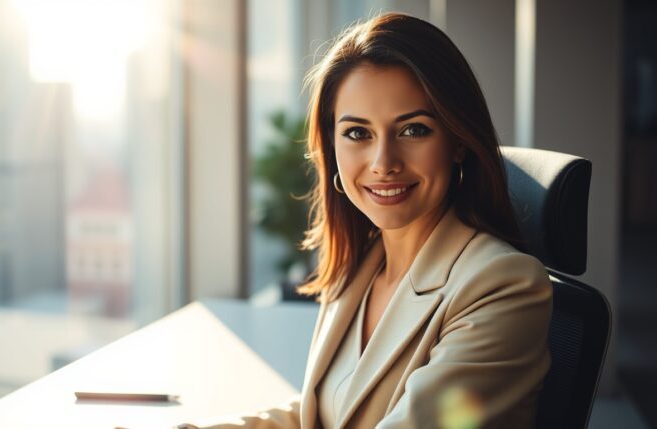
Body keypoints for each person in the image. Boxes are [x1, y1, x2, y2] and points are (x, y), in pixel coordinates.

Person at [180, 12, 552, 429]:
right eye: (358, 133)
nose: (383, 163)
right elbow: (321, 413)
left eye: (413, 130)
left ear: (458, 142)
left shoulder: (502, 285)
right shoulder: (361, 265)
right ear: (332, 146)